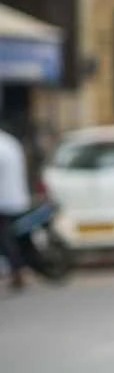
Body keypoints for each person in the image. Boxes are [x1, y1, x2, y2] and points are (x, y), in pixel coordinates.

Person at [0, 124, 32, 291]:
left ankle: (17, 271)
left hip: (4, 201)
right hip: (17, 197)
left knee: (6, 239)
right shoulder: (9, 142)